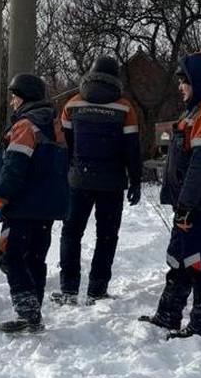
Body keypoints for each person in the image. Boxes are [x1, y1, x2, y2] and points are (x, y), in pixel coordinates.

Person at [138, 52, 201, 339]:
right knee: (181, 255)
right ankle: (169, 312)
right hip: (195, 201)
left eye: (184, 81)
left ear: (199, 81)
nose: (180, 87)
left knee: (198, 258)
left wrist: (186, 205)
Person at [52, 56, 142, 306]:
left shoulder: (72, 105)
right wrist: (135, 180)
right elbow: (132, 148)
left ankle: (68, 289)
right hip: (112, 184)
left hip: (78, 180)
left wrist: (68, 173)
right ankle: (97, 289)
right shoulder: (125, 108)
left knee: (71, 234)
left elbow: (64, 145)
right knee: (107, 235)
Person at [0, 73, 69, 333]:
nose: (12, 101)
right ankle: (33, 309)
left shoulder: (25, 126)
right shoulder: (54, 124)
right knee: (36, 256)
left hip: (22, 205)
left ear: (23, 97)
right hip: (47, 207)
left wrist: (0, 198)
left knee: (11, 255)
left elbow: (14, 167)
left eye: (15, 96)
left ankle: (27, 311)